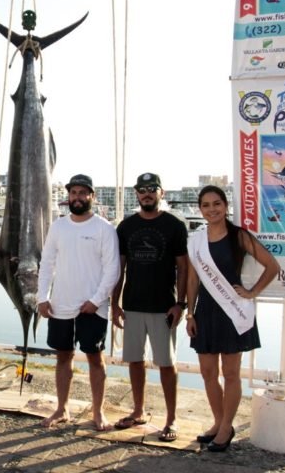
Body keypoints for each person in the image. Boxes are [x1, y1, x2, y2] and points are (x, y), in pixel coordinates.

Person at [186, 185, 278, 452]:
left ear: (225, 206)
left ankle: (226, 427)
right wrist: (190, 313)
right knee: (207, 372)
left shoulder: (238, 236)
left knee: (231, 373)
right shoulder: (196, 241)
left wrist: (252, 292)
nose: (212, 209)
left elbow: (272, 265)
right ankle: (217, 422)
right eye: (206, 205)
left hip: (232, 311)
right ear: (200, 209)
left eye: (217, 204)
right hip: (205, 311)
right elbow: (193, 280)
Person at [37, 174, 120, 430]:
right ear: (68, 196)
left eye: (83, 193)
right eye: (74, 193)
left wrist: (96, 301)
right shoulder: (58, 226)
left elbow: (113, 269)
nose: (78, 197)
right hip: (60, 304)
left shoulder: (104, 228)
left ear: (92, 197)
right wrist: (42, 297)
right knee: (63, 358)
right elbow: (47, 263)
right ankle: (61, 409)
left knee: (95, 359)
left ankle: (98, 413)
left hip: (92, 307)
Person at [111, 172, 189, 442]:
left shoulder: (175, 225)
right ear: (137, 194)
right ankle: (138, 411)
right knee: (134, 360)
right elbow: (119, 269)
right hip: (132, 304)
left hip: (164, 307)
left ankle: (171, 419)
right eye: (142, 189)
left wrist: (181, 304)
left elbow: (183, 268)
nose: (147, 193)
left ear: (161, 193)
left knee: (167, 364)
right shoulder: (126, 226)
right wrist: (115, 304)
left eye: (152, 189)